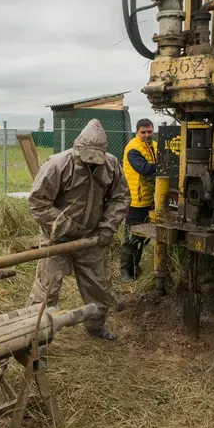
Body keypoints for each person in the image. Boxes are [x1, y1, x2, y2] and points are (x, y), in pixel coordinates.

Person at [27, 119, 130, 340]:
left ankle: (96, 327)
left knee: (98, 288)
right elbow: (38, 202)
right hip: (57, 240)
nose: (92, 160)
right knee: (46, 290)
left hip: (91, 239)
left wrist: (108, 227)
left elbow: (120, 197)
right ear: (78, 148)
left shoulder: (111, 166)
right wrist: (66, 227)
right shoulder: (58, 165)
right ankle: (36, 337)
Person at [120, 118, 157, 281]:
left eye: (150, 132)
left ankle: (135, 267)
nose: (147, 135)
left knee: (143, 237)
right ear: (137, 132)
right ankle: (125, 273)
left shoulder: (154, 146)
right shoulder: (133, 148)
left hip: (149, 201)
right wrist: (165, 164)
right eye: (143, 132)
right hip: (135, 201)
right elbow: (143, 169)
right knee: (131, 239)